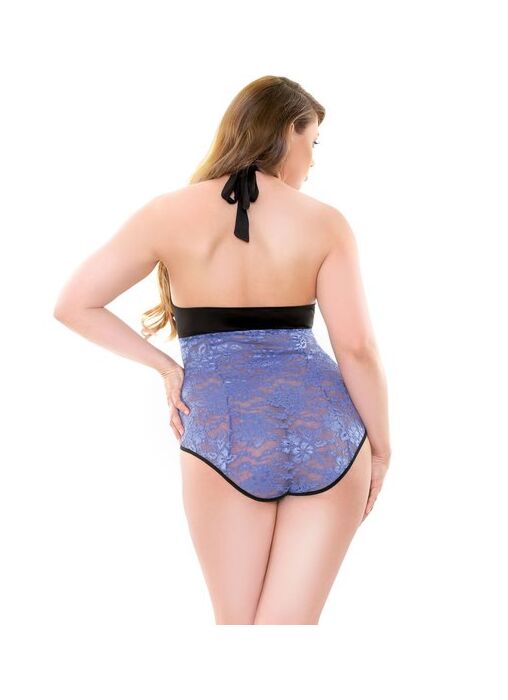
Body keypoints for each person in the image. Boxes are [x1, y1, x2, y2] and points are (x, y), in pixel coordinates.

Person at [53, 75, 391, 625]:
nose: (313, 161)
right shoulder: (325, 222)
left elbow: (74, 304)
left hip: (225, 432)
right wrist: (381, 449)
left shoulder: (167, 214)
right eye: (313, 142)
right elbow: (357, 348)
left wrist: (167, 368)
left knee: (237, 631)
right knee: (288, 632)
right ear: (288, 131)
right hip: (326, 433)